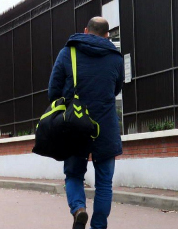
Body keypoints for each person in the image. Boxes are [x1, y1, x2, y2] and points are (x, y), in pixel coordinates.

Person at [48, 16, 124, 229]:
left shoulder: (68, 52)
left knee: (73, 174)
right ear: (107, 35)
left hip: (74, 125)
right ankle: (98, 227)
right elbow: (116, 89)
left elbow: (53, 91)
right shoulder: (115, 58)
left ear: (85, 30)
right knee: (104, 184)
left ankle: (79, 208)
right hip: (106, 126)